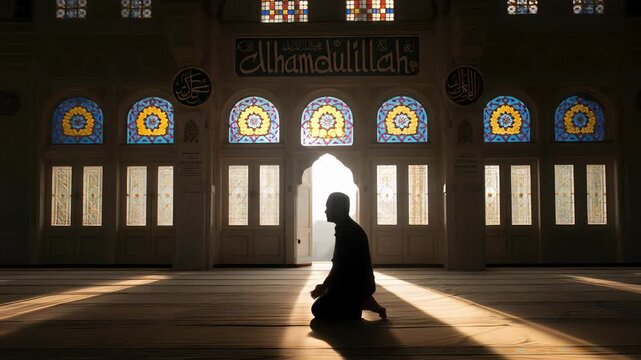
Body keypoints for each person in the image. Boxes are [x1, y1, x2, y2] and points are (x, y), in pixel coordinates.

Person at [310, 192, 387, 320]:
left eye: (328, 207)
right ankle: (360, 302)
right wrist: (327, 287)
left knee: (317, 309)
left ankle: (357, 305)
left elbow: (340, 267)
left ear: (338, 209)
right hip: (356, 283)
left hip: (355, 286)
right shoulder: (346, 228)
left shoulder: (348, 232)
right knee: (326, 301)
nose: (325, 211)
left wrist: (324, 286)